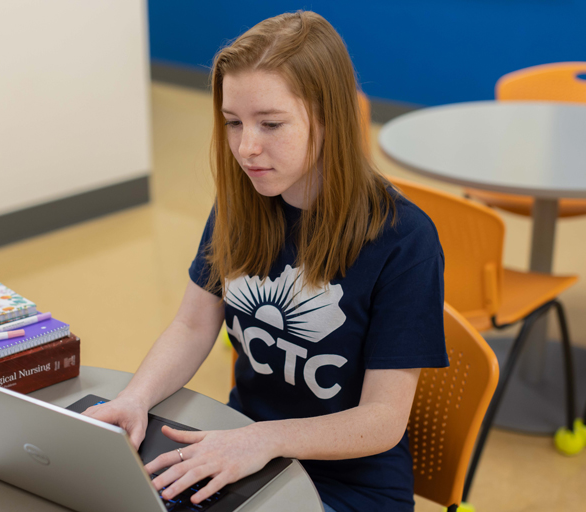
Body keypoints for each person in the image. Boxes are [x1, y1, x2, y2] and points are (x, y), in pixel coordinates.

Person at [83, 11, 448, 512]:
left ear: (329, 118)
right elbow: (193, 325)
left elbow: (383, 419)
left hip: (347, 486)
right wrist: (135, 399)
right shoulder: (244, 203)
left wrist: (262, 440)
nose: (246, 148)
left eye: (271, 124)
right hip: (243, 449)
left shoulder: (404, 239)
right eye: (233, 122)